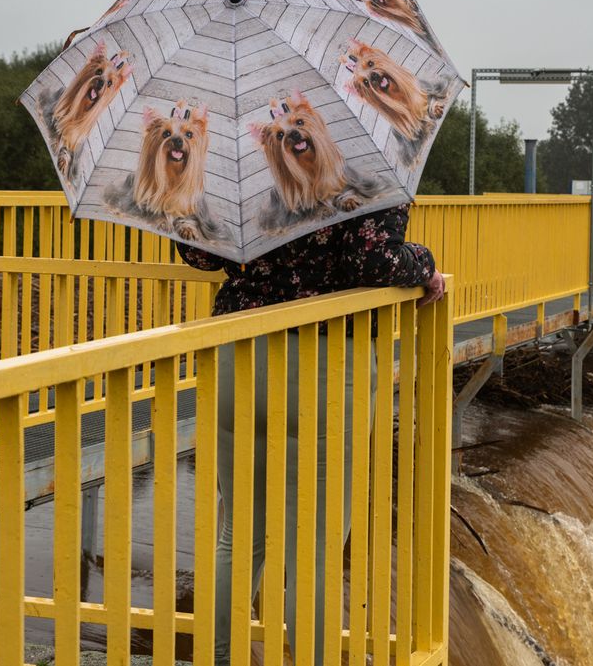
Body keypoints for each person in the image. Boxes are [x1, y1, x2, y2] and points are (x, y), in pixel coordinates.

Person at [176, 203, 443, 666]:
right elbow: (372, 261)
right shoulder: (360, 165)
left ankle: (218, 659)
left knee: (239, 534)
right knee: (314, 549)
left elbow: (201, 255)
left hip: (239, 351)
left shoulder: (250, 156)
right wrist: (426, 264)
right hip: (324, 359)